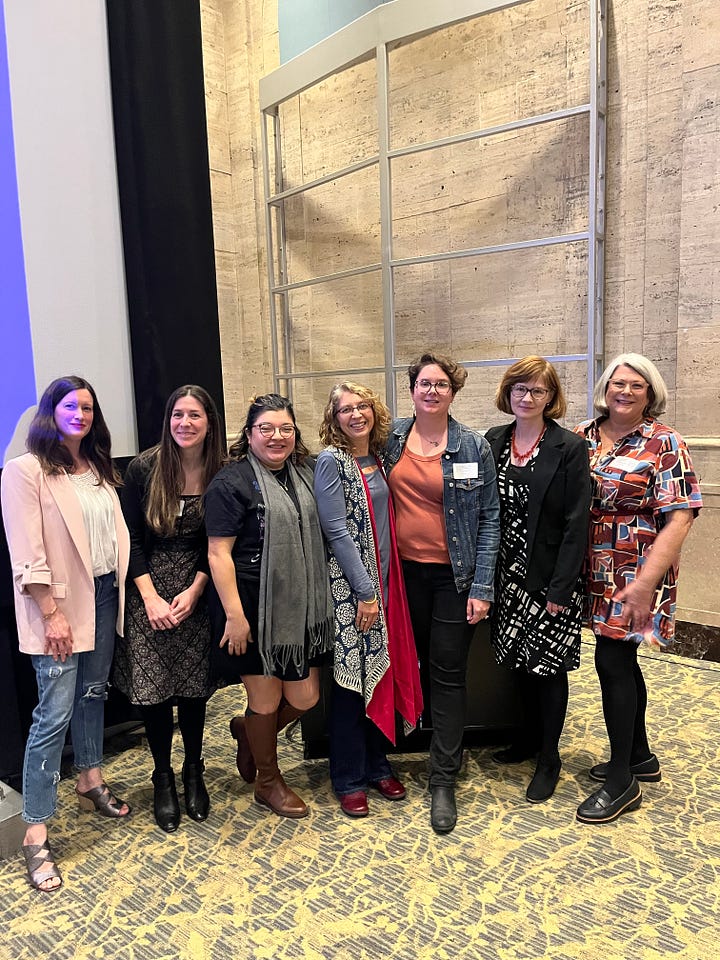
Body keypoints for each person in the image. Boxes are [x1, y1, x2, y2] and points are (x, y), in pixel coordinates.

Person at [1, 376, 131, 892]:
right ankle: (35, 831)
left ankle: (90, 780)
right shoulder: (25, 470)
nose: (82, 414)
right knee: (52, 714)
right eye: (72, 405)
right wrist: (51, 612)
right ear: (50, 411)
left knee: (93, 696)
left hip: (101, 596)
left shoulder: (97, 467)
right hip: (55, 605)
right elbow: (26, 553)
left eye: (89, 407)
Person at [574, 354, 702, 824]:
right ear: (605, 388)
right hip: (593, 565)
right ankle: (640, 754)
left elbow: (681, 516)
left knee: (611, 661)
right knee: (621, 660)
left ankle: (621, 779)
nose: (624, 392)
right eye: (617, 383)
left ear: (651, 395)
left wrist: (647, 583)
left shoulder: (665, 441)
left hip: (638, 567)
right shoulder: (585, 434)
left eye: (636, 386)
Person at [385, 353, 500, 834]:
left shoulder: (473, 445)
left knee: (447, 672)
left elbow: (491, 517)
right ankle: (409, 749)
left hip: (455, 578)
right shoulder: (389, 438)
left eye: (441, 384)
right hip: (400, 575)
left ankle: (443, 778)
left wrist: (482, 585)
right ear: (412, 390)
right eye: (423, 383)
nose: (431, 391)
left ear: (453, 392)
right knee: (402, 665)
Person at [205, 394, 334, 819]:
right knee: (264, 699)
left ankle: (248, 731)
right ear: (249, 435)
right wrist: (235, 617)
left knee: (306, 697)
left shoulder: (308, 473)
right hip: (253, 609)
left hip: (302, 607)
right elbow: (218, 554)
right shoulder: (231, 483)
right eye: (266, 429)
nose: (276, 437)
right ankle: (268, 780)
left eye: (285, 429)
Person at [113, 386, 225, 832]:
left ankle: (193, 770)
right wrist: (151, 597)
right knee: (156, 693)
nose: (185, 423)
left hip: (198, 589)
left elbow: (218, 540)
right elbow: (131, 539)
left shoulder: (223, 470)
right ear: (168, 419)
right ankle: (163, 776)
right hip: (148, 591)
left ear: (209, 422)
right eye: (177, 414)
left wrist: (197, 589)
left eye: (194, 415)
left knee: (194, 690)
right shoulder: (143, 467)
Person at [315, 383, 423, 817]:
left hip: (387, 583)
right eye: (345, 410)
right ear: (334, 418)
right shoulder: (331, 462)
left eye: (362, 406)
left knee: (380, 675)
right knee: (348, 685)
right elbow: (336, 531)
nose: (356, 415)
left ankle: (378, 765)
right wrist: (364, 592)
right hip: (353, 590)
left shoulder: (379, 459)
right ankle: (348, 777)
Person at [485, 357, 591, 804]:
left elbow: (575, 522)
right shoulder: (494, 440)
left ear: (552, 398)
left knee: (548, 671)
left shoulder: (568, 447)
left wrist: (560, 590)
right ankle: (526, 740)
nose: (527, 398)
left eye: (538, 391)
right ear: (508, 393)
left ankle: (549, 757)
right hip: (505, 577)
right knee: (519, 666)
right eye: (520, 389)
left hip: (549, 580)